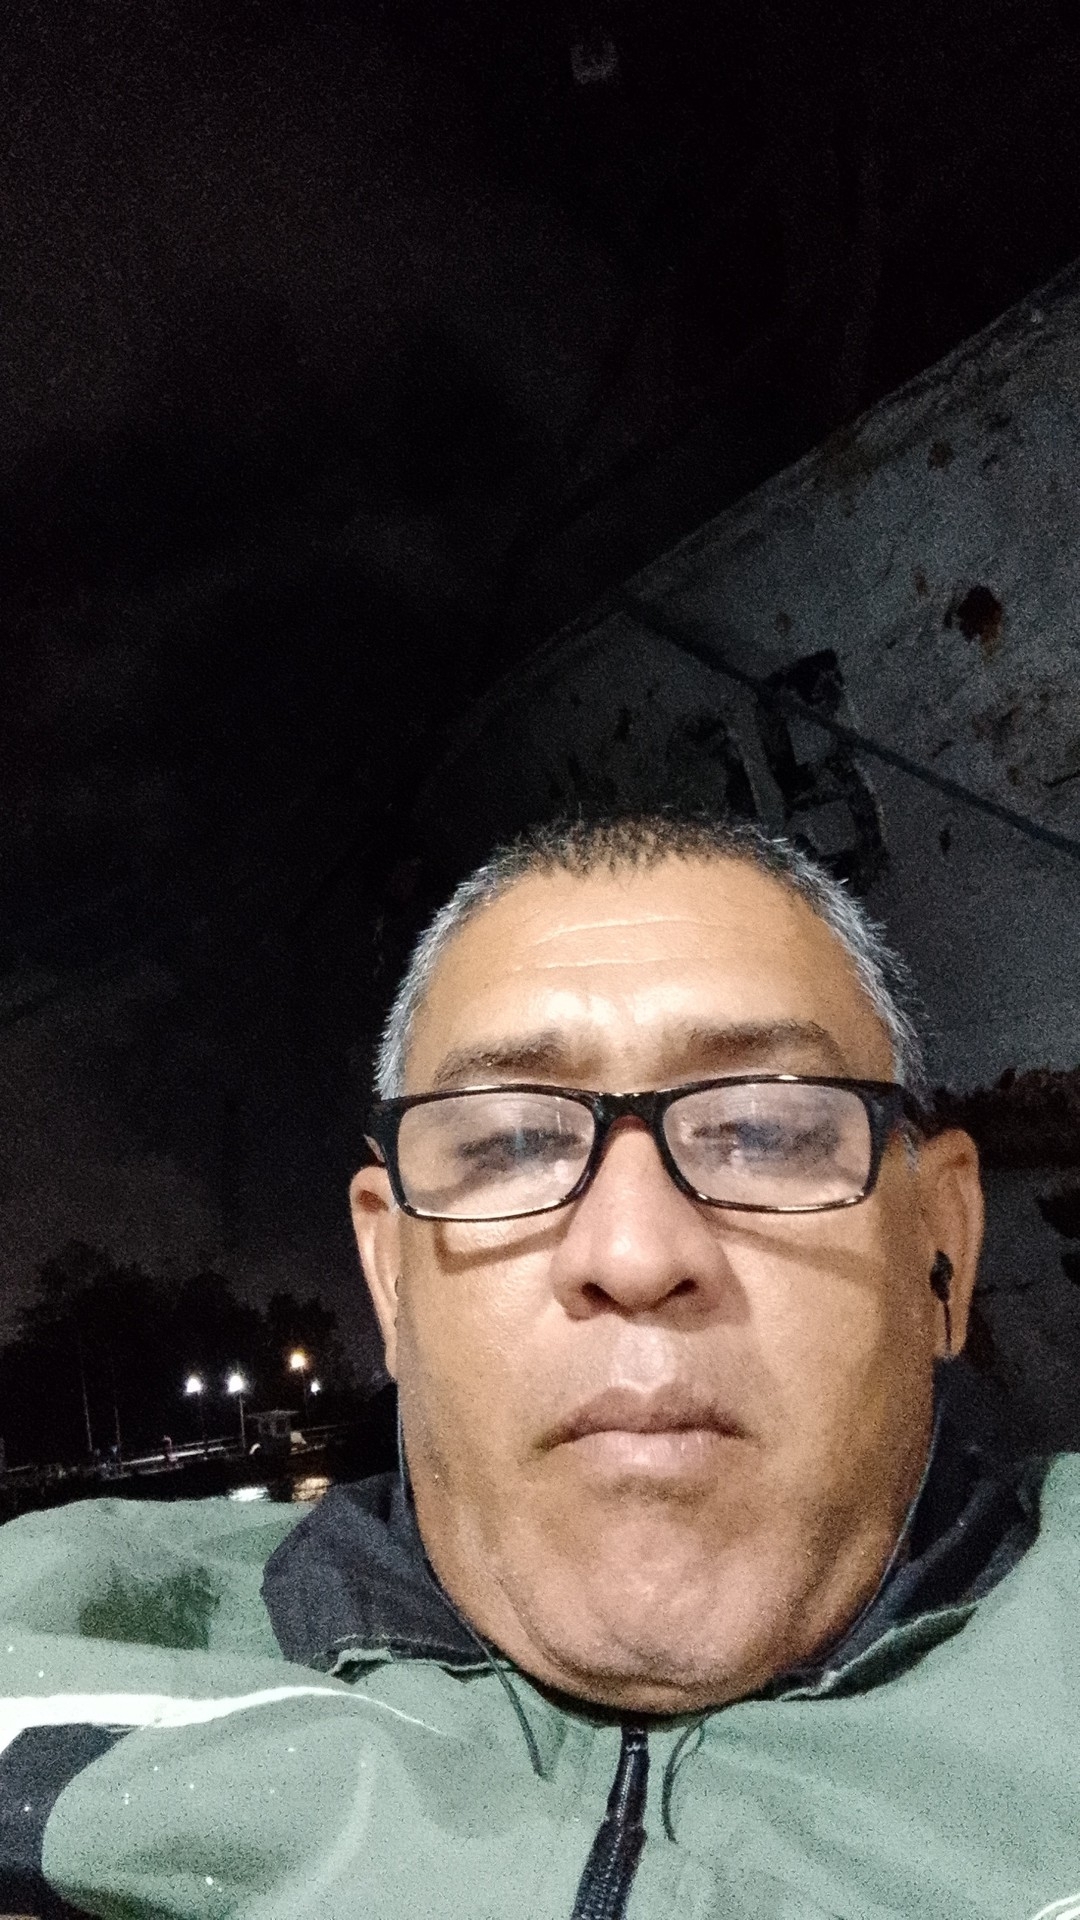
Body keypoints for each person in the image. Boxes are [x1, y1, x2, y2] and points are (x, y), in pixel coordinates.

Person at [0, 811, 1072, 1920]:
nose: (634, 1253)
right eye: (510, 1145)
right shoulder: (45, 1647)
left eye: (761, 1128)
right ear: (391, 1277)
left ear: (942, 1244)